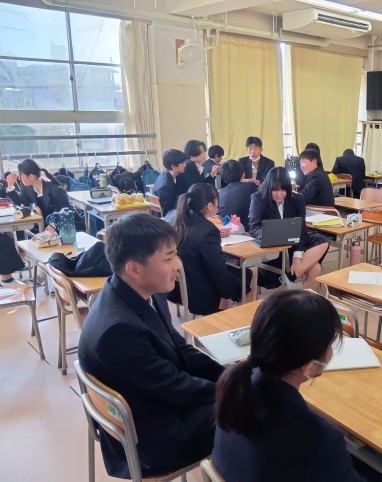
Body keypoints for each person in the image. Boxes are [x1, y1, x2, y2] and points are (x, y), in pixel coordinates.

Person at [77, 214, 224, 478]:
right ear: (134, 269)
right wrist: (233, 390)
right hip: (151, 440)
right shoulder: (118, 331)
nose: (178, 265)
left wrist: (226, 375)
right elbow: (174, 386)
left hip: (152, 403)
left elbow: (180, 349)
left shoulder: (132, 291)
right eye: (168, 259)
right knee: (253, 412)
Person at [212, 290, 364, 481]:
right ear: (309, 367)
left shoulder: (235, 392)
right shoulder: (322, 438)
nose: (331, 353)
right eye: (330, 346)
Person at [172, 183, 252, 314]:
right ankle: (238, 320)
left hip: (181, 286)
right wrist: (227, 292)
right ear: (209, 206)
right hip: (200, 291)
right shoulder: (208, 230)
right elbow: (217, 268)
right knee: (247, 274)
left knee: (229, 274)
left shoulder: (180, 221)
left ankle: (222, 312)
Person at [249, 167, 329, 291]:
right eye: (275, 190)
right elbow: (254, 227)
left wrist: (297, 258)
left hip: (295, 244)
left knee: (323, 241)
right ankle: (300, 296)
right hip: (274, 248)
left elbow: (301, 229)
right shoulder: (258, 198)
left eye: (283, 190)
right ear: (269, 187)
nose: (279, 194)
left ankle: (290, 277)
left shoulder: (297, 199)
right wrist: (271, 235)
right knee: (315, 268)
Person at [1, 158, 71, 286]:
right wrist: (10, 186)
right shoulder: (29, 189)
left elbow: (66, 211)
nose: (19, 178)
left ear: (31, 176)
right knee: (35, 241)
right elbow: (20, 203)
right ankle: (41, 276)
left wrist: (53, 224)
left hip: (66, 228)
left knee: (40, 242)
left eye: (21, 175)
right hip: (47, 229)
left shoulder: (56, 190)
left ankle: (45, 277)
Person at [218, 159, 258, 231]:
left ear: (224, 178)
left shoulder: (220, 193)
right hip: (245, 231)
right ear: (243, 174)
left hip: (224, 230)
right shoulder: (250, 186)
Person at [152, 149, 188, 217]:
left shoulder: (166, 174)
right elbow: (167, 212)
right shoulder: (165, 186)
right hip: (169, 217)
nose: (185, 165)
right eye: (182, 163)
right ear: (173, 166)